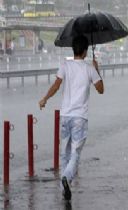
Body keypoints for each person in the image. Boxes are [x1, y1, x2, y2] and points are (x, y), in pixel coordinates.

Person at [39, 35, 104, 200]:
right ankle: (67, 178)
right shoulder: (89, 69)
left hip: (65, 116)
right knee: (75, 153)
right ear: (85, 51)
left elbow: (56, 85)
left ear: (74, 49)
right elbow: (101, 89)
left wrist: (45, 98)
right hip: (80, 118)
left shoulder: (65, 65)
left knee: (64, 154)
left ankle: (64, 188)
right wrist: (97, 70)